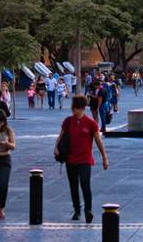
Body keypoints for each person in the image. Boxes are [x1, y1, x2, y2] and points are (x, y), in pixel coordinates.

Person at [55, 95, 109, 223]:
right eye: (73, 108)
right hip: (70, 159)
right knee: (73, 186)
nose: (74, 111)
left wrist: (104, 157)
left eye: (77, 109)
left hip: (85, 159)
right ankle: (77, 210)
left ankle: (88, 210)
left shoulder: (91, 123)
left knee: (85, 185)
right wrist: (56, 147)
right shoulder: (68, 121)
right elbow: (61, 135)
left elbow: (98, 141)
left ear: (83, 108)